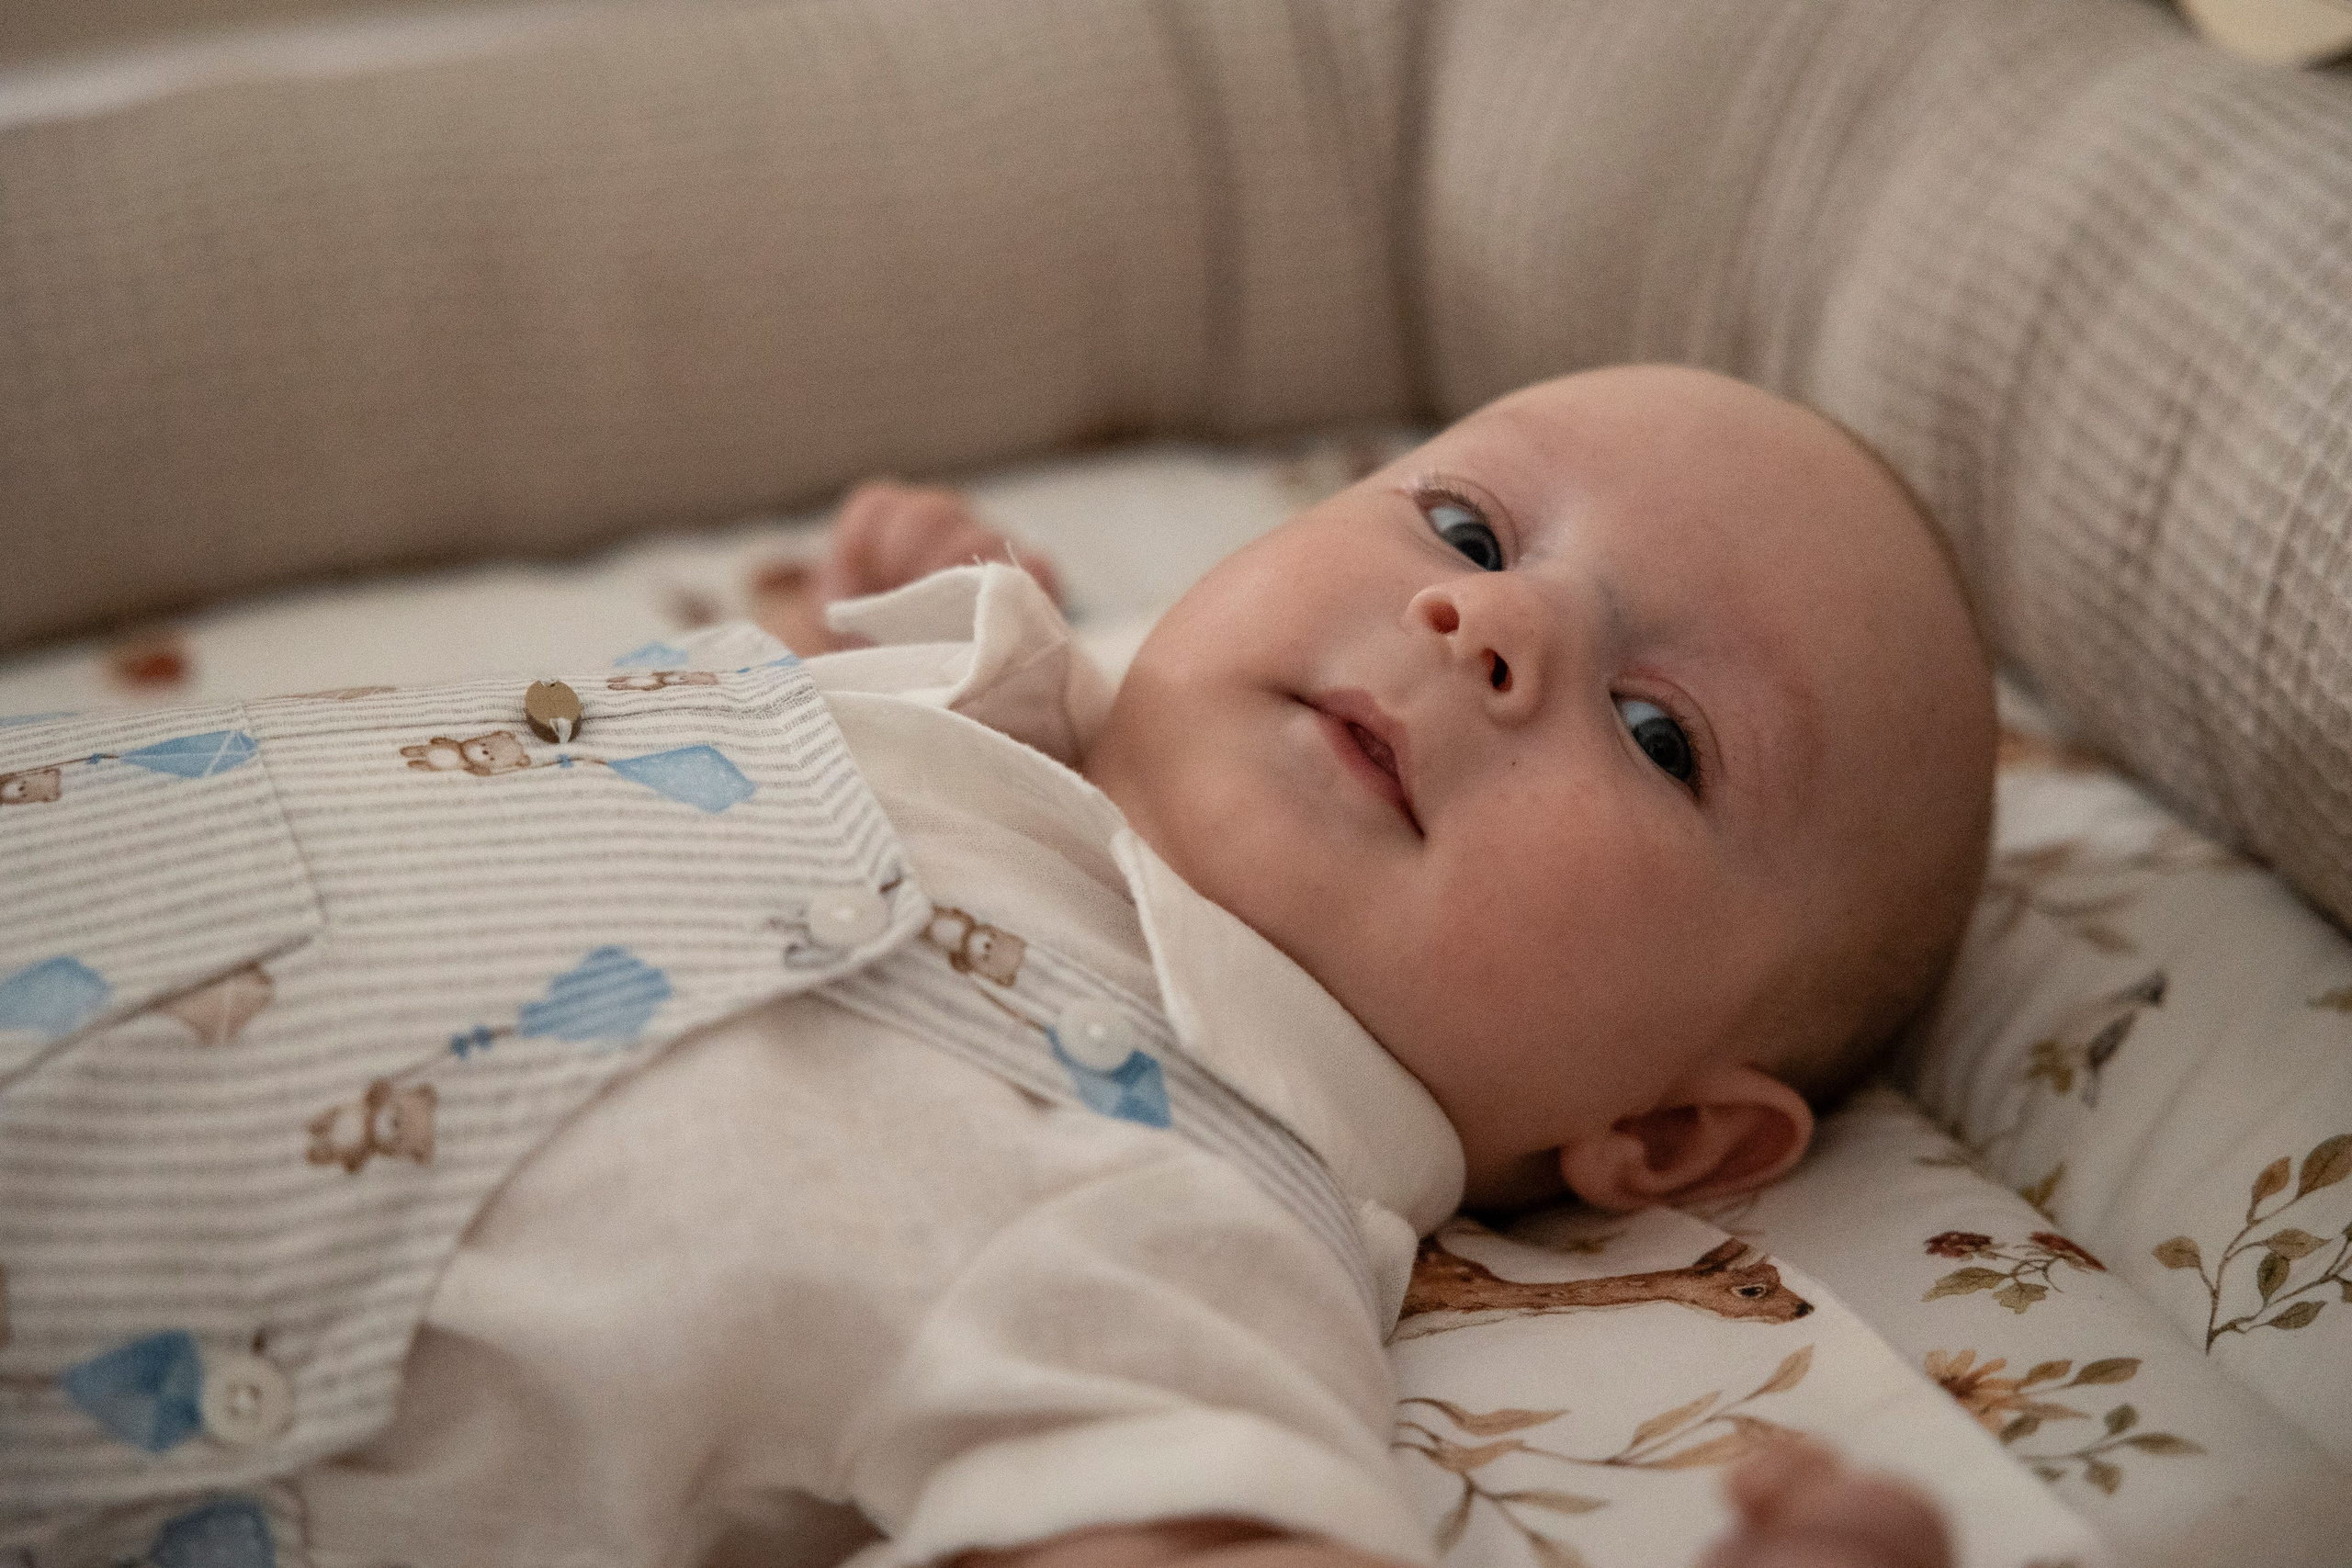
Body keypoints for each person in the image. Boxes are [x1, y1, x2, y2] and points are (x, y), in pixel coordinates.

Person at [0, 367, 1989, 1568]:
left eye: (1658, 732)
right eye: (1464, 513)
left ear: (1659, 1131)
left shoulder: (1171, 1212)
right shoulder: (1001, 689)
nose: (1483, 617)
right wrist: (912, 608)